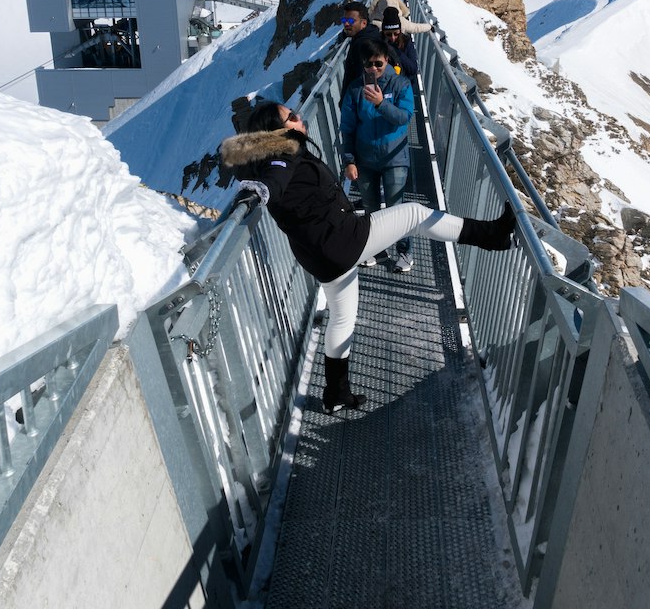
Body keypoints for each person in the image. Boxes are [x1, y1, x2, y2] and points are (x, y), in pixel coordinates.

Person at [220, 101, 517, 413]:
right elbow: (276, 177)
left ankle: (335, 394)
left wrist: (262, 185)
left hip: (320, 255)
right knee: (415, 213)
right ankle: (492, 236)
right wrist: (260, 190)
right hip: (344, 239)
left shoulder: (261, 155)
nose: (299, 117)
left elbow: (275, 176)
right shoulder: (283, 151)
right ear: (277, 131)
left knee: (343, 317)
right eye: (291, 117)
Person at [341, 37, 415, 272]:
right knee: (372, 207)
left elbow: (404, 118)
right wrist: (349, 161)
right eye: (368, 64)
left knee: (396, 207)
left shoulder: (401, 85)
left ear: (387, 61)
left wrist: (381, 103)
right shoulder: (355, 89)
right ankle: (373, 248)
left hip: (395, 157)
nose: (373, 69)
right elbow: (348, 128)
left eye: (378, 64)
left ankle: (404, 251)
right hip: (365, 159)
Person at [339, 0, 381, 90]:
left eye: (350, 21)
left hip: (359, 99)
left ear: (364, 23)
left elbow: (366, 80)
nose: (346, 24)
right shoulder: (371, 34)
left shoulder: (363, 46)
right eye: (344, 20)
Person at [379, 7, 419, 79]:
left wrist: (396, 52)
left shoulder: (406, 41)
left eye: (396, 34)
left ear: (400, 31)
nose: (393, 37)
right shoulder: (378, 41)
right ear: (383, 32)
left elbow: (413, 69)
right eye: (388, 34)